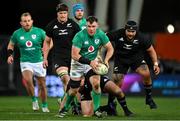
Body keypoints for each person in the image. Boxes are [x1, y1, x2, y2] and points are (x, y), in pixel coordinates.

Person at [58, 16, 114, 117]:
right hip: (78, 64)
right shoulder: (79, 36)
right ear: (86, 26)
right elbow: (74, 55)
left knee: (96, 84)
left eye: (93, 26)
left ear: (97, 26)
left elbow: (110, 48)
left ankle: (97, 110)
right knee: (74, 90)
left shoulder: (101, 34)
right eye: (89, 26)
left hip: (92, 63)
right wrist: (89, 62)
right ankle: (64, 109)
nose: (91, 29)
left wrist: (106, 60)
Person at [106, 20, 160, 110]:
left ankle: (149, 98)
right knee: (117, 81)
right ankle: (110, 104)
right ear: (125, 29)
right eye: (128, 31)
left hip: (136, 58)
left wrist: (155, 64)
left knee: (146, 73)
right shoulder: (118, 33)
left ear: (136, 31)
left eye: (133, 31)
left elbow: (151, 50)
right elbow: (103, 37)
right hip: (121, 59)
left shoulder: (142, 37)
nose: (130, 34)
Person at [7, 12, 49, 112]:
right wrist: (9, 55)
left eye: (29, 21)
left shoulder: (40, 32)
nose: (27, 23)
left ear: (32, 21)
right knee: (28, 80)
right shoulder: (17, 33)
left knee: (42, 85)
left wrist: (46, 50)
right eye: (25, 21)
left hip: (39, 61)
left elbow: (49, 42)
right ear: (21, 23)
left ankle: (44, 105)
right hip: (25, 62)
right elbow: (11, 45)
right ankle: (34, 100)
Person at [42, 3, 80, 110]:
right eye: (60, 13)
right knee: (65, 79)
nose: (63, 15)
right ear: (57, 14)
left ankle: (65, 100)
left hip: (73, 57)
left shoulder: (73, 25)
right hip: (58, 57)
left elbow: (81, 39)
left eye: (64, 13)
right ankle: (71, 104)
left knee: (75, 84)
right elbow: (47, 42)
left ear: (67, 14)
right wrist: (45, 58)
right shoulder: (51, 26)